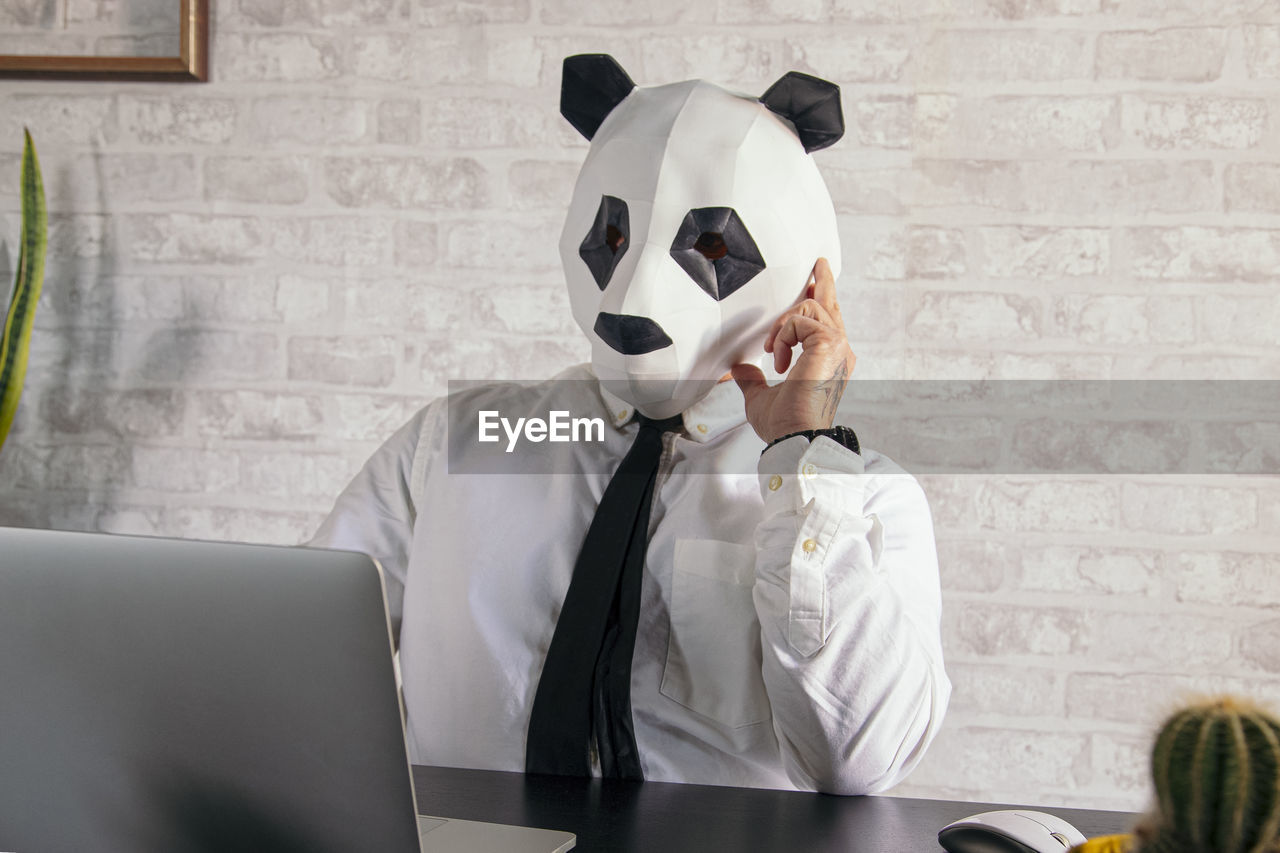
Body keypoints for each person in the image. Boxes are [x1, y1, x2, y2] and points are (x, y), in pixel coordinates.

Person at [310, 55, 950, 795]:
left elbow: (860, 761)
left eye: (710, 246)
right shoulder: (463, 440)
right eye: (614, 239)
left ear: (810, 281)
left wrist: (802, 459)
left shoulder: (863, 502)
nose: (639, 290)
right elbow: (303, 653)